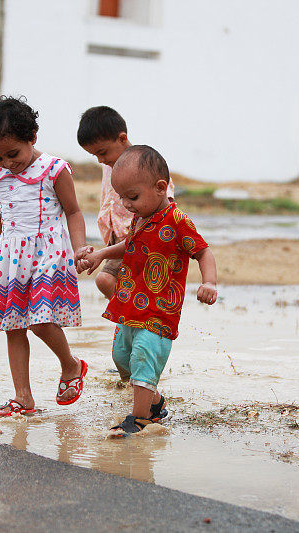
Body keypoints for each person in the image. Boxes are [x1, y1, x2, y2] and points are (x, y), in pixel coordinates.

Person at [76, 145, 218, 436]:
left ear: (160, 187)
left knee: (142, 357)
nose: (127, 204)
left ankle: (139, 420)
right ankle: (154, 403)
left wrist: (209, 282)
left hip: (159, 312)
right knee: (122, 356)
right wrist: (102, 254)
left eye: (133, 197)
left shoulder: (177, 221)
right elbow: (129, 246)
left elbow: (203, 252)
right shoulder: (140, 218)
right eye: (122, 198)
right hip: (130, 307)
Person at [0, 96, 91, 417]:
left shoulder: (53, 170)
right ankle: (23, 398)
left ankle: (71, 365)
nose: (7, 163)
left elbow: (74, 212)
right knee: (14, 326)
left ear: (32, 137)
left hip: (48, 252)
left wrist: (80, 248)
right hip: (11, 256)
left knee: (39, 321)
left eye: (13, 154)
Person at [76, 106, 174, 300]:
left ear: (122, 138)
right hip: (117, 238)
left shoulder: (145, 165)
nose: (100, 160)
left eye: (102, 152)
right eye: (95, 155)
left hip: (140, 235)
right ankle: (133, 318)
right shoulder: (109, 165)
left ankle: (133, 317)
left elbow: (166, 199)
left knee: (107, 280)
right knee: (123, 284)